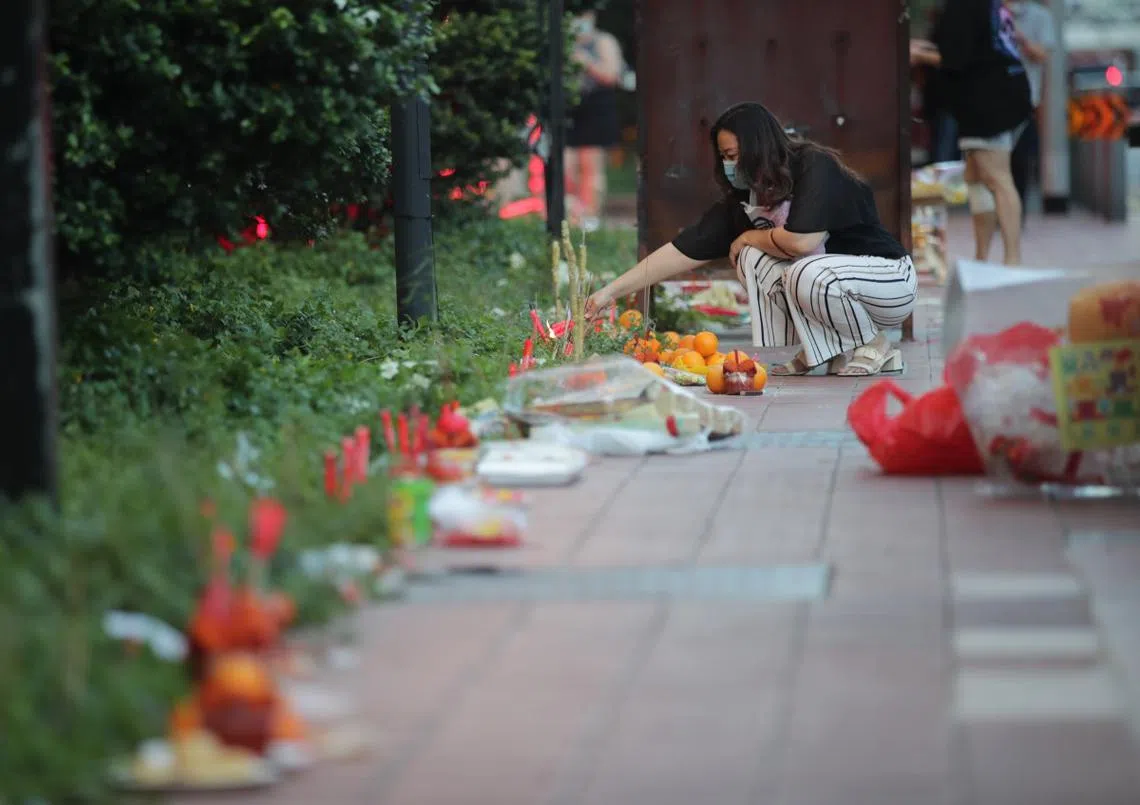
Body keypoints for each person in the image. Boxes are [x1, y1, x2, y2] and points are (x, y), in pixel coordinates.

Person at [583, 102, 917, 378]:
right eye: (724, 157)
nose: (730, 165)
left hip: (887, 282)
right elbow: (682, 251)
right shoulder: (749, 198)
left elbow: (802, 242)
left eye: (734, 155)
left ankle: (877, 343)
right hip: (834, 285)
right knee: (753, 259)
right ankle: (827, 347)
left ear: (759, 148)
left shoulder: (815, 166)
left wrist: (751, 235)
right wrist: (607, 293)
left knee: (799, 268)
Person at [910, 0, 1032, 265]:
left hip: (990, 102)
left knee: (997, 177)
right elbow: (973, 47)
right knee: (976, 177)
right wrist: (925, 48)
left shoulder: (963, 6)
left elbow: (957, 58)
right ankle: (982, 258)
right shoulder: (986, 4)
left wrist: (918, 55)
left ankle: (1012, 260)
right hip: (1001, 95)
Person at [565, 6, 624, 232]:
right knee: (566, 168)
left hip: (596, 109)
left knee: (591, 167)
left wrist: (585, 61)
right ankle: (570, 217)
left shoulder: (603, 41)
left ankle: (590, 219)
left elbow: (611, 75)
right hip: (569, 110)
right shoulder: (565, 42)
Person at [1006, 0, 1057, 223]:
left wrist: (1020, 39)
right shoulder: (990, 13)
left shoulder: (1039, 17)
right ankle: (1002, 213)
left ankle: (1018, 215)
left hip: (1025, 104)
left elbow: (1043, 54)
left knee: (1021, 163)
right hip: (992, 103)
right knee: (996, 166)